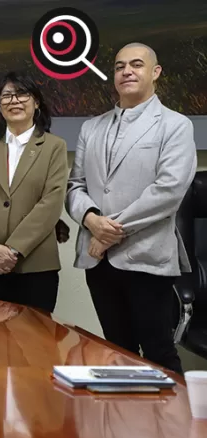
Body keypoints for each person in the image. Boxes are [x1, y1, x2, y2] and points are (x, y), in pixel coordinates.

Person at [65, 43, 196, 374]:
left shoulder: (175, 125)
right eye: (120, 66)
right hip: (98, 260)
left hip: (147, 257)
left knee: (157, 352)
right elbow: (75, 187)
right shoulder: (91, 128)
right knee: (116, 350)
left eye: (136, 64)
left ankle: (173, 426)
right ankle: (127, 426)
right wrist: (91, 219)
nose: (127, 71)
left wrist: (108, 233)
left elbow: (168, 191)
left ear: (155, 72)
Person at [0, 72, 68, 313]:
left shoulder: (54, 146)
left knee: (34, 343)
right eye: (7, 96)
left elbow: (51, 202)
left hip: (35, 264)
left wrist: (12, 251)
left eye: (22, 94)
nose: (15, 101)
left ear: (37, 102)